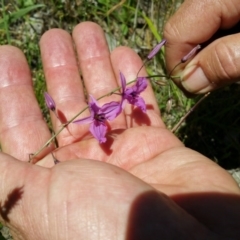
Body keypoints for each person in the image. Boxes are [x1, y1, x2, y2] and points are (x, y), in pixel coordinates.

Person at [0, 0, 240, 239]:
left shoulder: (119, 102)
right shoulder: (105, 111)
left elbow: (114, 104)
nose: (100, 118)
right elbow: (101, 108)